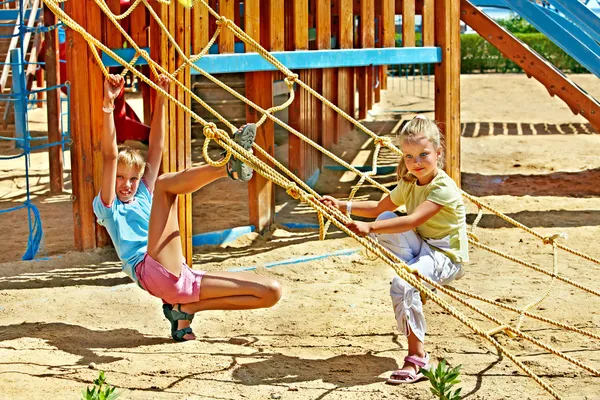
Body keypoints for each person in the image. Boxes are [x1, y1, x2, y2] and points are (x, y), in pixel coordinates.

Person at [93, 74, 282, 342]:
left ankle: (185, 310)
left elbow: (156, 146)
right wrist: (108, 106)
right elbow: (110, 156)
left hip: (180, 278)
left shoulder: (143, 196)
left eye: (133, 178)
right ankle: (228, 166)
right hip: (149, 270)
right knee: (165, 185)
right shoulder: (109, 207)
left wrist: (160, 97)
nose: (126, 185)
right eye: (120, 178)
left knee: (271, 292)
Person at [320, 115, 468, 384]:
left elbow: (413, 220)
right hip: (422, 248)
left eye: (424, 154)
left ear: (438, 152)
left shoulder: (443, 187)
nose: (417, 163)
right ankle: (419, 283)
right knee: (385, 219)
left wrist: (368, 229)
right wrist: (341, 205)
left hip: (445, 257)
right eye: (410, 156)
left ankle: (417, 359)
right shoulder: (410, 183)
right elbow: (379, 208)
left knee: (402, 284)